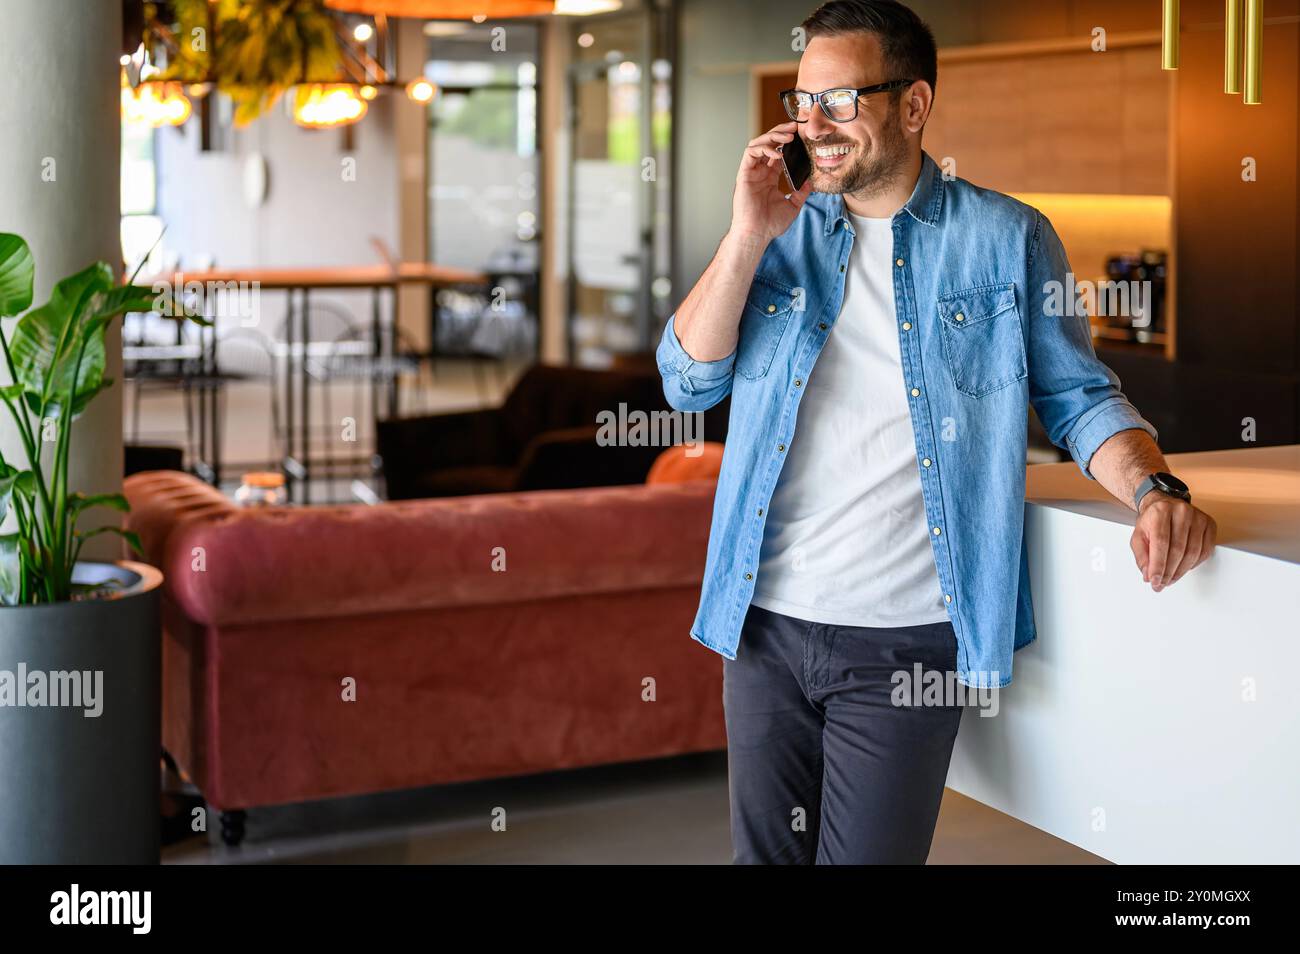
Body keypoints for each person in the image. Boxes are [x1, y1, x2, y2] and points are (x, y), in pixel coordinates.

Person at [656, 0, 1217, 864]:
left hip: (905, 643)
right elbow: (687, 382)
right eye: (804, 104)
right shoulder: (777, 230)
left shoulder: (1008, 239)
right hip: (761, 624)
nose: (816, 126)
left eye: (841, 101)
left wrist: (1155, 487)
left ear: (913, 106)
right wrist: (745, 234)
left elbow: (1077, 398)